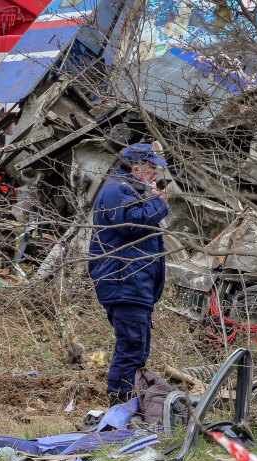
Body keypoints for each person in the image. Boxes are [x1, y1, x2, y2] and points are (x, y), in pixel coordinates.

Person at [87, 144, 169, 405]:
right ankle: (119, 406)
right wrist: (159, 203)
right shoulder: (117, 190)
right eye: (151, 168)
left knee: (137, 347)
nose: (154, 173)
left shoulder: (130, 190)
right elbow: (131, 224)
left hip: (135, 284)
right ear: (136, 170)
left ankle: (129, 404)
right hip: (124, 282)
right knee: (131, 347)